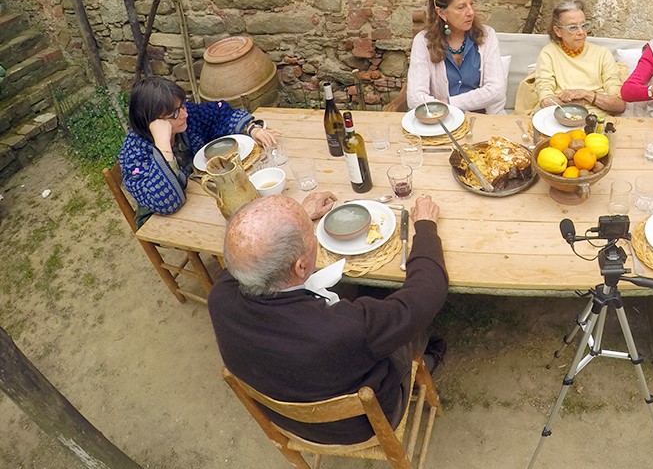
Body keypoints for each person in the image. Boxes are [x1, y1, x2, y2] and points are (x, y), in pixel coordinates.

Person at [208, 193, 449, 445]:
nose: (314, 236)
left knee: (374, 304)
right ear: (301, 267)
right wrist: (425, 226)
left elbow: (251, 252)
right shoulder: (343, 329)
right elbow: (426, 294)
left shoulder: (219, 298)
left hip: (286, 419)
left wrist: (299, 215)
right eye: (311, 236)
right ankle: (424, 362)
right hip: (361, 425)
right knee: (406, 325)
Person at [118, 76, 276, 226]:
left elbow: (218, 114)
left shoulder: (186, 116)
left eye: (182, 106)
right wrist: (163, 145)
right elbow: (166, 204)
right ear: (152, 122)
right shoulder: (133, 153)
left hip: (200, 195)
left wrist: (251, 129)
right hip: (162, 220)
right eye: (174, 114)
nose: (185, 114)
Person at [408, 0, 506, 114]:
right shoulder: (423, 41)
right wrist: (444, 110)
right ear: (441, 13)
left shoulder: (487, 36)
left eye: (471, 4)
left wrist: (449, 103)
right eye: (461, 7)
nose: (471, 12)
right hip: (442, 120)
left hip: (484, 120)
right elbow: (415, 98)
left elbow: (497, 90)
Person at [534, 0, 626, 116]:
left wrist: (585, 94)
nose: (581, 32)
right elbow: (545, 101)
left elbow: (619, 104)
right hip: (560, 115)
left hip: (596, 119)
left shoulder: (602, 54)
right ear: (558, 31)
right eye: (573, 27)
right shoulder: (549, 53)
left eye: (584, 25)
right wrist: (578, 102)